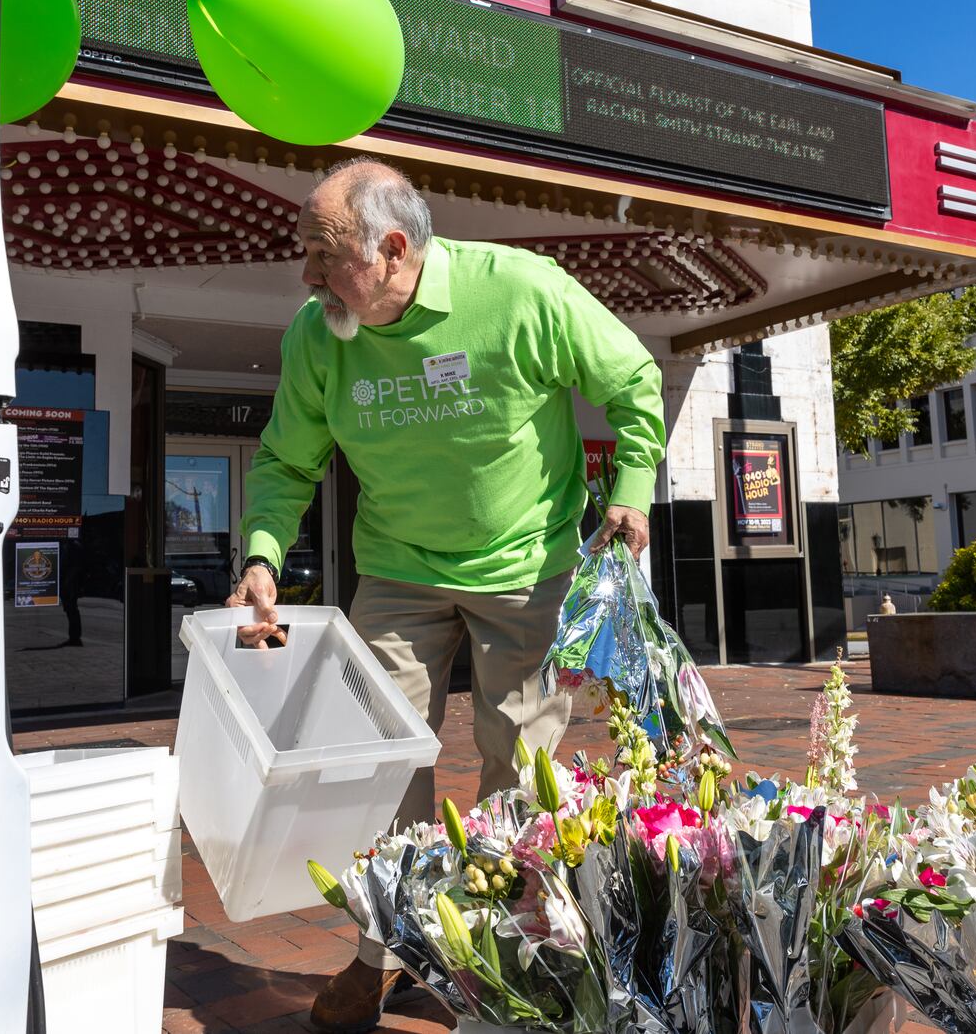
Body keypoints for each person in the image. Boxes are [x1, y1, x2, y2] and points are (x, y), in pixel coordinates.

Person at [224, 157, 666, 1032]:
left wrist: (635, 480)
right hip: (396, 569)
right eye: (304, 252)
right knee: (379, 760)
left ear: (393, 249)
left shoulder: (520, 290)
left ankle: (509, 952)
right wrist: (264, 552)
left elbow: (633, 379)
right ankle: (383, 949)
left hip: (528, 566)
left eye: (324, 253)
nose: (308, 275)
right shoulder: (319, 334)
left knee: (519, 769)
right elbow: (284, 458)